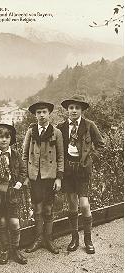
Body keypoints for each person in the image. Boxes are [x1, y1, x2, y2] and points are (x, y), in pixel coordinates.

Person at [57, 95, 104, 254]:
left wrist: (90, 158)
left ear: (82, 110)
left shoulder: (89, 126)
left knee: (84, 205)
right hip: (68, 170)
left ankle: (88, 239)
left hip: (83, 170)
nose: (74, 110)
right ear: (67, 110)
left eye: (77, 108)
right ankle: (74, 237)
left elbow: (101, 145)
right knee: (71, 204)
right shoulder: (61, 127)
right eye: (71, 108)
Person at [22, 101, 64, 254]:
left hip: (50, 177)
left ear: (49, 113)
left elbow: (60, 157)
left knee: (48, 208)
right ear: (35, 115)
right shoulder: (31, 131)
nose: (41, 115)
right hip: (35, 177)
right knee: (37, 208)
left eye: (44, 112)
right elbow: (25, 155)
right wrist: (25, 176)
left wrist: (59, 178)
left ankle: (48, 238)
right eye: (38, 112)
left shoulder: (56, 132)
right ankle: (38, 238)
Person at [0, 123, 27, 265]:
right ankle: (4, 250)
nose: (4, 140)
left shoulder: (15, 155)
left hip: (12, 193)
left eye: (7, 137)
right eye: (0, 136)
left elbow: (22, 170)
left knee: (14, 223)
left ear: (11, 139)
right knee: (1, 222)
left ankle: (15, 249)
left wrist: (19, 182)